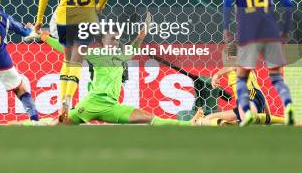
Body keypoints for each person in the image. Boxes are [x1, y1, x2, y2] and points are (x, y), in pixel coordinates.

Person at [27, 12, 202, 126]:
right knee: (56, 126)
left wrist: (144, 31)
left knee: (148, 118)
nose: (115, 42)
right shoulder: (95, 53)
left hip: (112, 107)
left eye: (117, 39)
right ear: (103, 41)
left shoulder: (121, 54)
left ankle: (190, 124)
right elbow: (67, 49)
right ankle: (26, 124)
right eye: (112, 39)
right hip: (92, 104)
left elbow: (134, 46)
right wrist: (43, 36)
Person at [35, 0, 109, 121]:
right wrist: (97, 8)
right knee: (77, 62)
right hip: (86, 18)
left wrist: (39, 20)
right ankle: (69, 98)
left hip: (65, 17)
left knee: (67, 61)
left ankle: (62, 103)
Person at [222, 0, 295, 125]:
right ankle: (288, 105)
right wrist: (285, 31)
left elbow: (226, 5)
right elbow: (288, 4)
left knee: (241, 78)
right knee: (277, 77)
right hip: (270, 32)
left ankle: (246, 112)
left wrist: (226, 28)